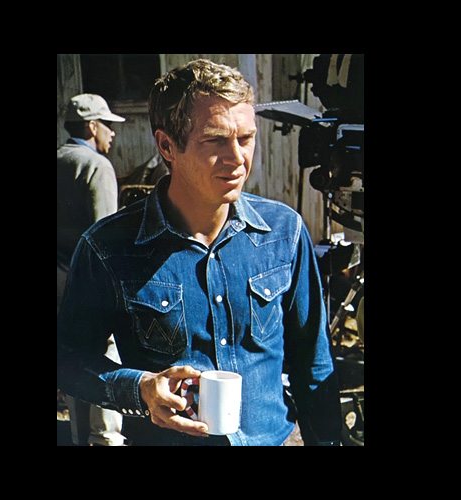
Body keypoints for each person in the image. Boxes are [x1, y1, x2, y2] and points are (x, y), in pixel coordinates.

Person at [57, 60, 342, 446]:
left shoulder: (284, 233)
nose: (237, 158)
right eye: (215, 140)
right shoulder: (109, 247)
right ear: (167, 146)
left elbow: (314, 363)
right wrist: (139, 389)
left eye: (246, 138)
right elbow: (69, 359)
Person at [57, 93, 126, 446]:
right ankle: (106, 438)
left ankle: (77, 436)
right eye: (108, 125)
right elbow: (105, 235)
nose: (112, 133)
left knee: (70, 356)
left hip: (59, 280)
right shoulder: (97, 166)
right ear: (92, 126)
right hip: (88, 282)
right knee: (104, 356)